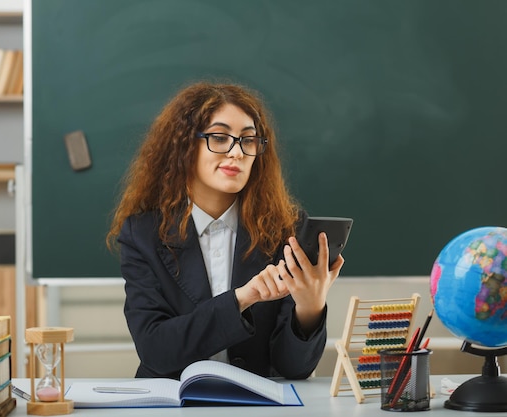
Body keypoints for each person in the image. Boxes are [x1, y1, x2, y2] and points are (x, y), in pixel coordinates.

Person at [106, 81, 344, 380]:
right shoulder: (144, 233)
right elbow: (156, 349)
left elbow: (294, 369)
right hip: (173, 404)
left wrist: (310, 307)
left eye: (248, 140)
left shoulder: (287, 230)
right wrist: (243, 298)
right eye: (219, 138)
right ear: (184, 145)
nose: (236, 153)